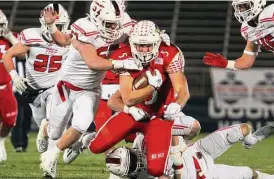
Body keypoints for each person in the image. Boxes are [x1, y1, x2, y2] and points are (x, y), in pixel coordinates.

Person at [38, 0, 142, 178]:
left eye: (117, 23)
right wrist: (51, 26)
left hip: (91, 89)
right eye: (109, 24)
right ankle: (45, 126)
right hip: (67, 87)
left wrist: (159, 38)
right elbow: (92, 62)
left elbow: (141, 34)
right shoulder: (85, 29)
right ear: (96, 17)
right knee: (55, 132)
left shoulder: (123, 24)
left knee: (82, 123)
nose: (114, 29)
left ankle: (51, 155)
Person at [88, 20, 190, 177]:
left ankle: (172, 155)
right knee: (95, 147)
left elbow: (183, 90)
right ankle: (132, 154)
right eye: (139, 45)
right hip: (135, 113)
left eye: (148, 45)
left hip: (159, 118)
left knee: (156, 170)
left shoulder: (169, 53)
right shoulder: (123, 56)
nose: (143, 50)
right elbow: (128, 98)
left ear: (157, 43)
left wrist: (178, 105)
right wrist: (151, 87)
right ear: (131, 43)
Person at [202, 0, 274, 147]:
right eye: (238, 7)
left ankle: (259, 136)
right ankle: (259, 135)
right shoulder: (248, 29)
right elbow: (246, 61)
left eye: (244, 6)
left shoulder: (271, 13)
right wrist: (226, 63)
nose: (241, 10)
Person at [2, 3, 70, 155]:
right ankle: (45, 132)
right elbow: (8, 55)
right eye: (56, 25)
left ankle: (52, 158)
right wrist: (15, 75)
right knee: (42, 123)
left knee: (54, 124)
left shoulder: (68, 40)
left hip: (55, 86)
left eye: (61, 26)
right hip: (34, 89)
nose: (59, 30)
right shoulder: (32, 36)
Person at [107, 123, 274, 179]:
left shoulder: (142, 140)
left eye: (134, 158)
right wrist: (177, 164)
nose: (139, 161)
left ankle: (251, 141)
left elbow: (171, 129)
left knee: (244, 129)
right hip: (203, 174)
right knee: (248, 173)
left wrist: (180, 143)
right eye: (134, 166)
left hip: (198, 149)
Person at [0, 9, 19, 162]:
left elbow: (22, 52)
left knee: (10, 121)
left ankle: (1, 141)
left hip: (4, 87)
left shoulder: (8, 40)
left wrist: (11, 37)